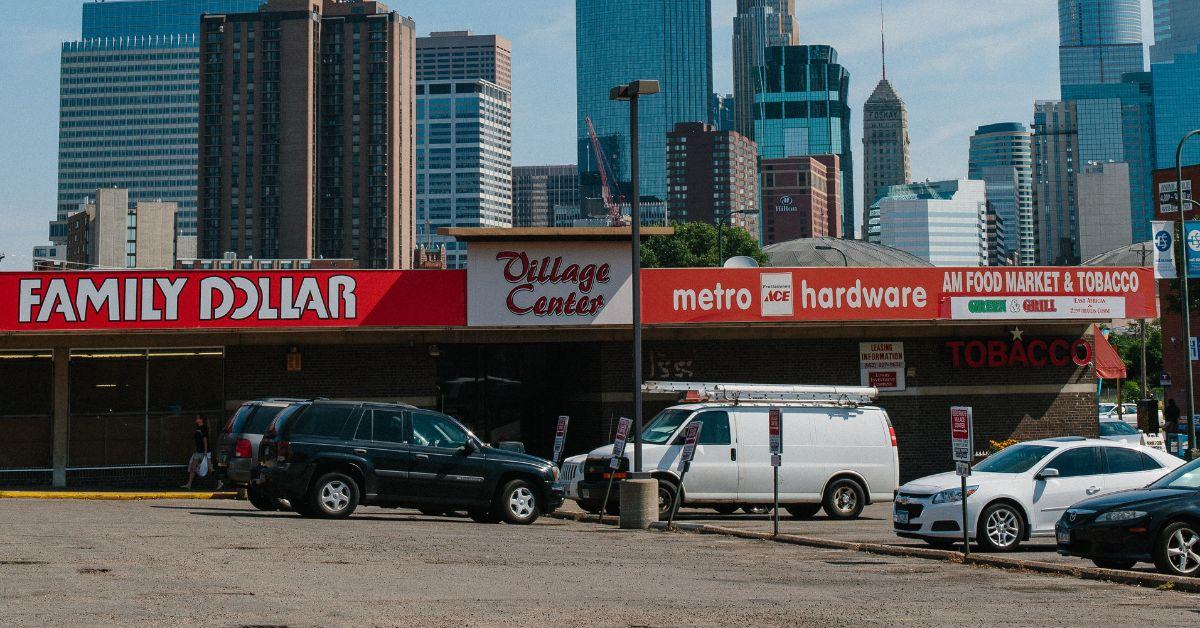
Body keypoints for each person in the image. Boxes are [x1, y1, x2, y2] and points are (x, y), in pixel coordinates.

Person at [182, 416, 209, 489]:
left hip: (204, 452)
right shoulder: (198, 428)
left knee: (208, 468)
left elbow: (205, 439)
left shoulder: (204, 428)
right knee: (193, 467)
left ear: (201, 420)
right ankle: (189, 484)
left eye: (197, 418)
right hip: (197, 451)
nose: (196, 420)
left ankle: (217, 482)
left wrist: (205, 451)